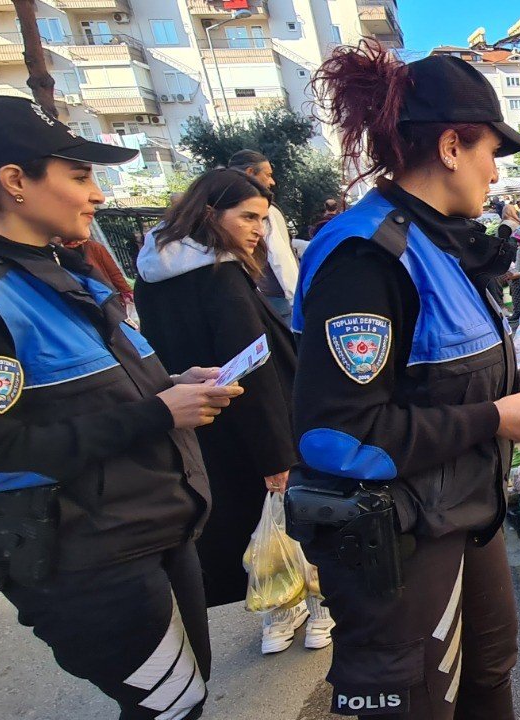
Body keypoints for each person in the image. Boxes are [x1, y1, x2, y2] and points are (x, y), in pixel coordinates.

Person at [0, 95, 243, 719]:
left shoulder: (58, 274)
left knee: (184, 700)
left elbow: (89, 394)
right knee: (171, 708)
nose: (98, 195)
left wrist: (171, 384)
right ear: (14, 183)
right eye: (79, 176)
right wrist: (159, 414)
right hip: (86, 556)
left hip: (152, 531)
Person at [297, 43, 520, 720]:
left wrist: (517, 376)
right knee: (424, 702)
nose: (494, 170)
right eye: (490, 151)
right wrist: (492, 419)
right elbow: (339, 437)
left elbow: (432, 373)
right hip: (402, 541)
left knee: (490, 673)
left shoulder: (437, 240)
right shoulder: (368, 257)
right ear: (452, 145)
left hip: (463, 514)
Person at [134, 168, 332, 653]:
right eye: (247, 216)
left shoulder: (151, 277)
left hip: (201, 427)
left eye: (263, 219)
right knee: (294, 518)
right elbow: (256, 371)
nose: (257, 230)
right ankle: (315, 606)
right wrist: (276, 454)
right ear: (208, 213)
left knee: (254, 525)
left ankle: (281, 609)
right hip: (258, 422)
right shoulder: (221, 275)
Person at [229, 150, 299, 324]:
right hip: (277, 300)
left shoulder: (221, 208)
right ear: (250, 173)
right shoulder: (265, 210)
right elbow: (279, 256)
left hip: (246, 299)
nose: (272, 182)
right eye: (267, 175)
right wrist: (296, 300)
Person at [61, 235, 132, 310]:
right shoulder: (57, 254)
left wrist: (127, 292)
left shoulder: (94, 247)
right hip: (84, 301)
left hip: (107, 298)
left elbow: (114, 274)